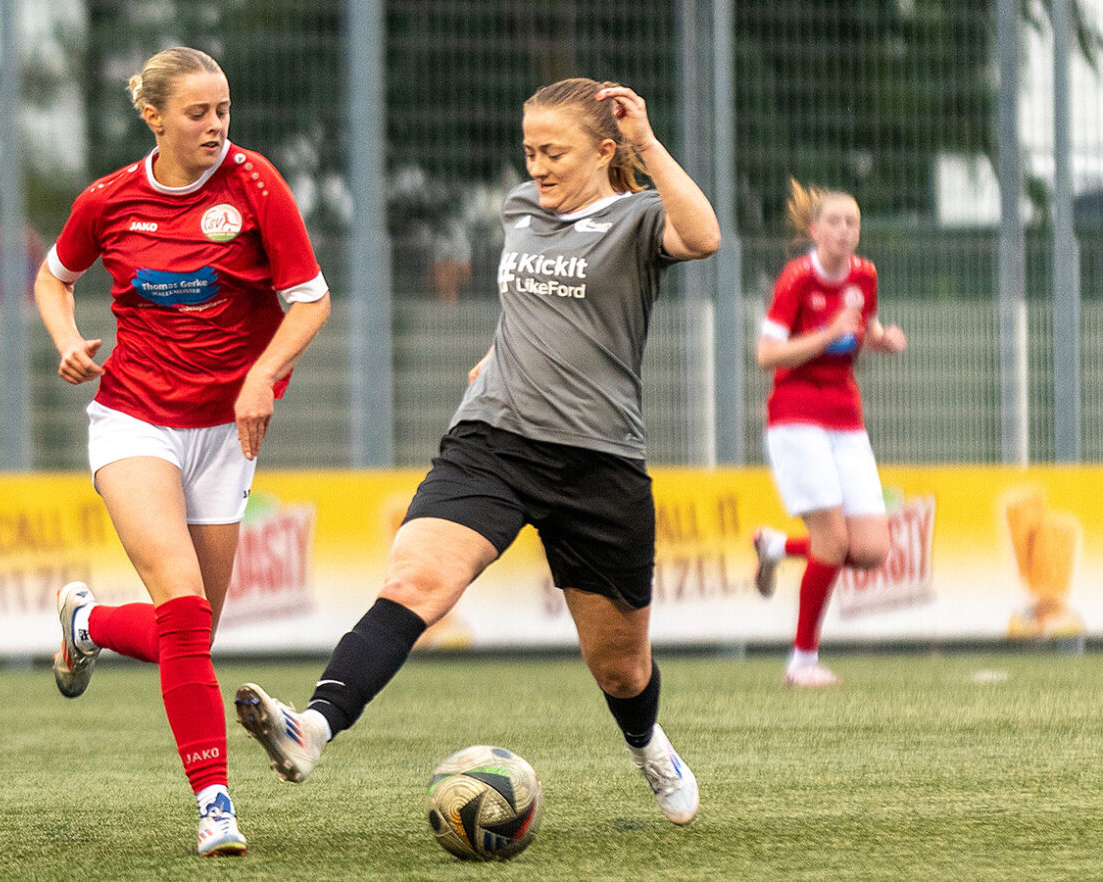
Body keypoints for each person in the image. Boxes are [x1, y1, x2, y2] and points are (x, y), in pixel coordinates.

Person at [234, 77, 719, 827]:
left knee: (621, 667)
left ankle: (648, 746)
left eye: (554, 152)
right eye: (529, 151)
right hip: (491, 440)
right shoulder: (520, 208)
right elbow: (529, 308)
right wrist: (496, 355)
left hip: (597, 463)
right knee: (416, 582)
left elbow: (705, 238)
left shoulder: (637, 219)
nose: (539, 166)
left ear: (604, 148)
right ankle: (312, 728)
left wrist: (649, 145)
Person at [38, 47, 331, 857]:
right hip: (134, 421)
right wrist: (65, 340)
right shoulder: (108, 200)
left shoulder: (256, 185)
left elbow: (309, 300)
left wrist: (262, 375)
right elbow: (52, 276)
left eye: (224, 111)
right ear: (155, 117)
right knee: (184, 608)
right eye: (198, 113)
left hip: (225, 436)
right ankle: (216, 806)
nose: (215, 127)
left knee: (191, 636)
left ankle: (88, 622)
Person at [750, 180, 907, 687]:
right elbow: (767, 355)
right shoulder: (797, 280)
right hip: (796, 418)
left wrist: (883, 339)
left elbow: (866, 328)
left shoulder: (865, 275)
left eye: (853, 222)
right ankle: (802, 662)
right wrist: (827, 333)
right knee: (833, 541)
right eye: (835, 222)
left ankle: (776, 546)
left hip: (846, 418)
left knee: (870, 550)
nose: (845, 231)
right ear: (815, 231)